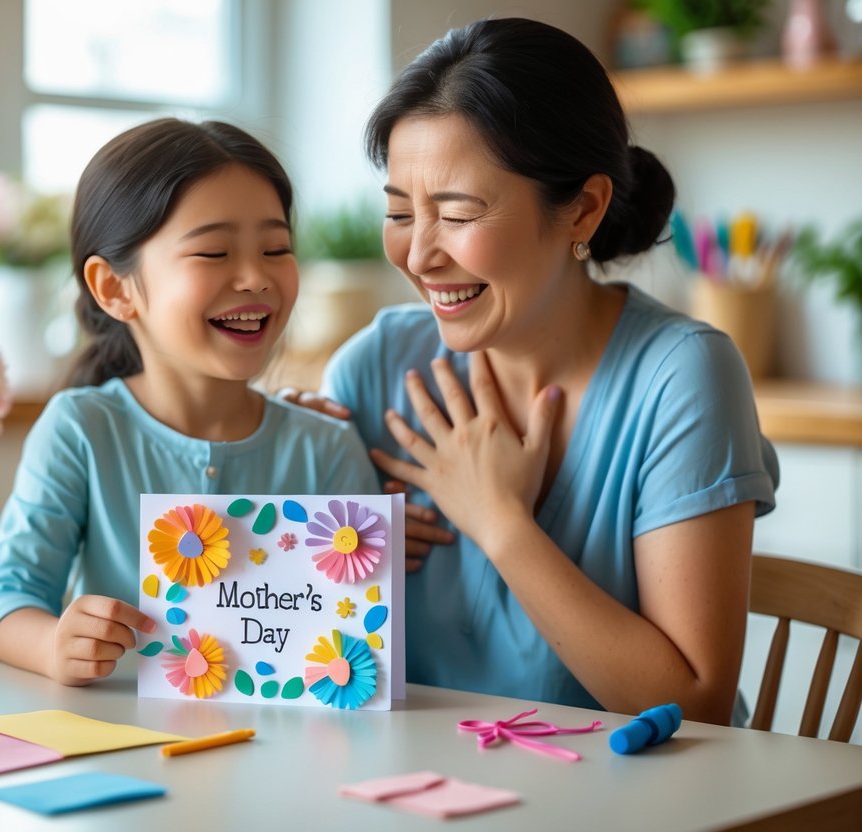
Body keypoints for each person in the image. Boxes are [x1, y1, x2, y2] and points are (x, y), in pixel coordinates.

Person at [310, 18, 778, 725]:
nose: (419, 255)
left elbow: (695, 704)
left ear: (581, 209)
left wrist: (499, 523)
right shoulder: (376, 366)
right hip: (412, 793)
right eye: (401, 212)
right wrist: (274, 470)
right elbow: (292, 640)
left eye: (458, 213)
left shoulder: (680, 376)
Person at [0, 118, 381, 687]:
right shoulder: (82, 431)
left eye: (277, 247)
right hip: (121, 749)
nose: (256, 277)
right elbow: (1, 600)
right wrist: (51, 645)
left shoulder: (326, 448)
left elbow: (361, 637)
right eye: (213, 252)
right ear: (115, 288)